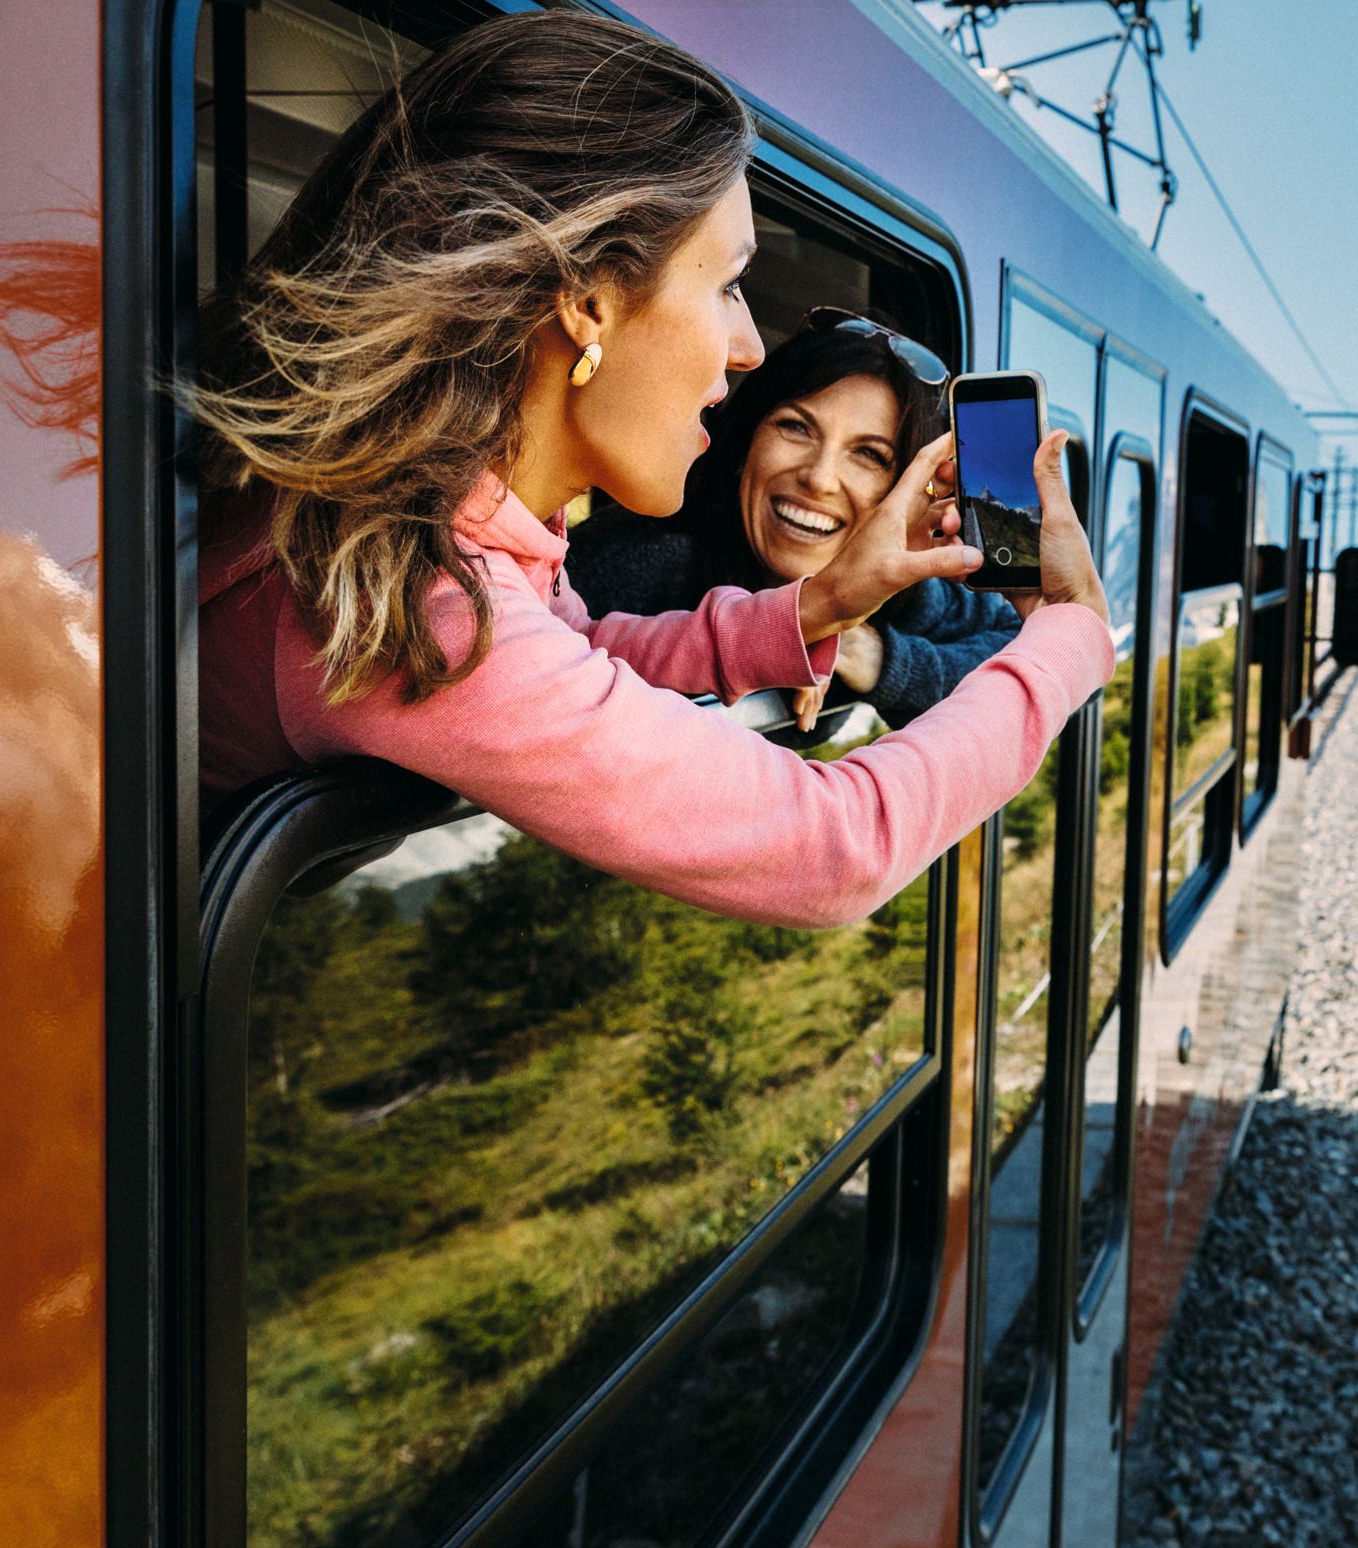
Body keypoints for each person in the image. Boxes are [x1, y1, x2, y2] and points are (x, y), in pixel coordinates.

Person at [192, 10, 1109, 929]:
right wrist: (1074, 635)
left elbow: (583, 659)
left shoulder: (434, 518)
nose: (751, 346)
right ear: (588, 300)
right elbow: (837, 844)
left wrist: (819, 607)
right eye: (728, 286)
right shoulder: (424, 601)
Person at [572, 310, 1022, 735]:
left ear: (900, 492)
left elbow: (1017, 648)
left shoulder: (902, 593)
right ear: (744, 441)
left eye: (869, 455)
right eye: (796, 428)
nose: (820, 478)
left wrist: (878, 656)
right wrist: (784, 632)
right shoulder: (643, 561)